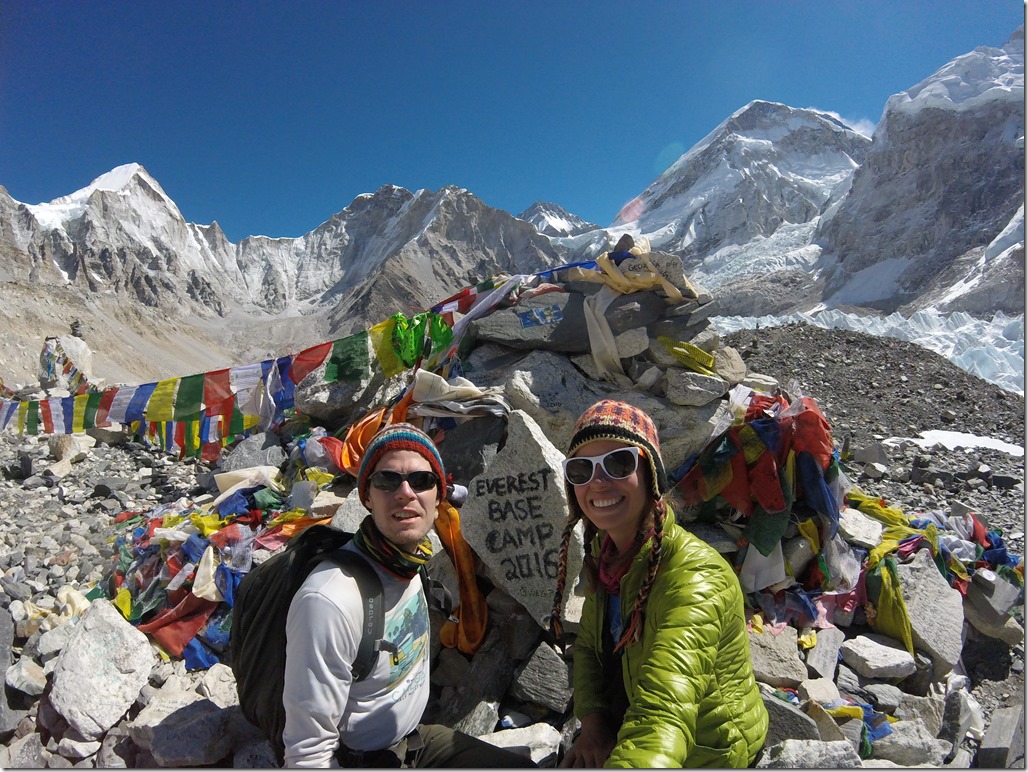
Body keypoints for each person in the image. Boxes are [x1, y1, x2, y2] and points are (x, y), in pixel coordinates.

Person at [283, 422, 536, 768]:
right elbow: (308, 755)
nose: (406, 492)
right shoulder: (331, 600)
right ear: (367, 497)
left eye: (421, 481)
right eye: (387, 480)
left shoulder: (409, 559)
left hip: (415, 742)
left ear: (438, 498)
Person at [549, 400, 768, 768]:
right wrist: (593, 727)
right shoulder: (607, 552)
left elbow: (664, 712)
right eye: (581, 469)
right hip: (636, 720)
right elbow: (588, 645)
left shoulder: (696, 578)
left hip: (705, 750)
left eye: (619, 463)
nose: (598, 481)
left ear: (651, 475)